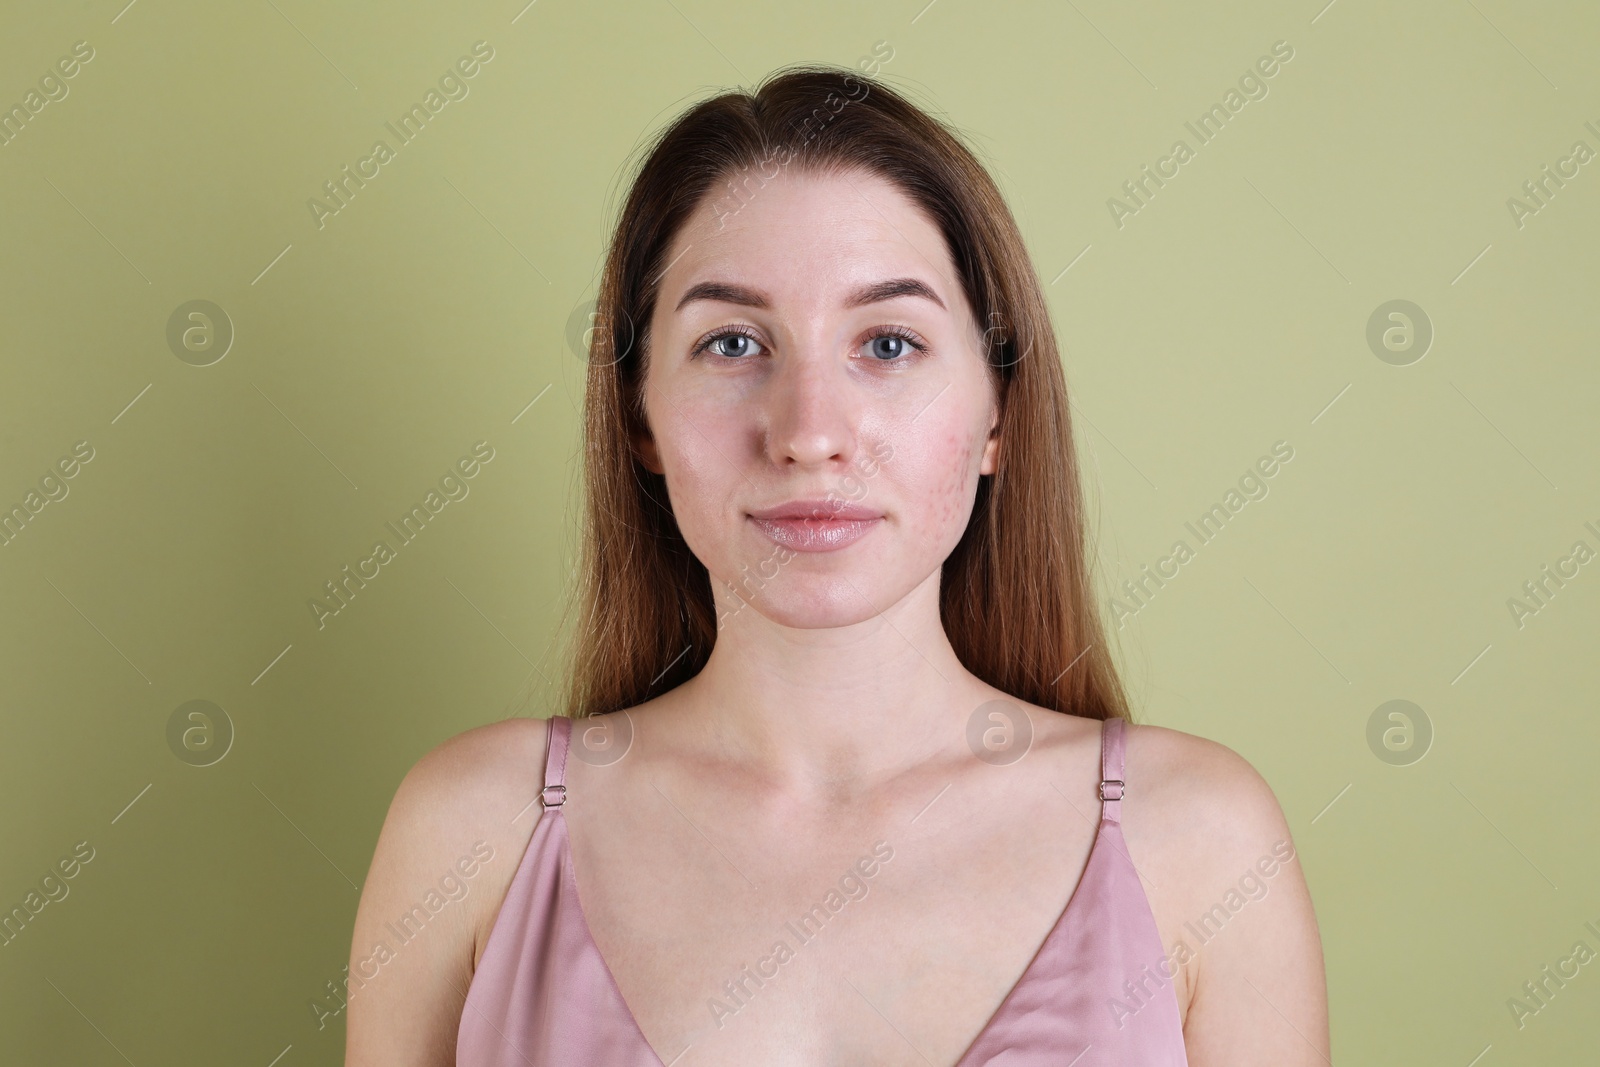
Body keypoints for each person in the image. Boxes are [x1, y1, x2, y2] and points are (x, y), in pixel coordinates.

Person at [345, 64, 1328, 1066]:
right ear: (639, 414)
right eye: (731, 342)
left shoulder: (1200, 842)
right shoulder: (472, 831)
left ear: (997, 413)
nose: (809, 432)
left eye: (889, 343)